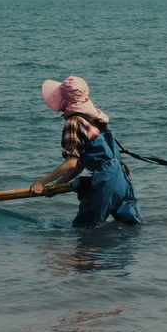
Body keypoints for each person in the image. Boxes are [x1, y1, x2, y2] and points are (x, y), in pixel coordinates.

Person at [30, 76, 142, 227]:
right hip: (122, 180)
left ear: (64, 100)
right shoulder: (95, 119)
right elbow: (81, 164)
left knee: (84, 230)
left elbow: (71, 163)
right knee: (132, 230)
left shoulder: (73, 122)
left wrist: (40, 183)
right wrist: (57, 186)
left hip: (105, 181)